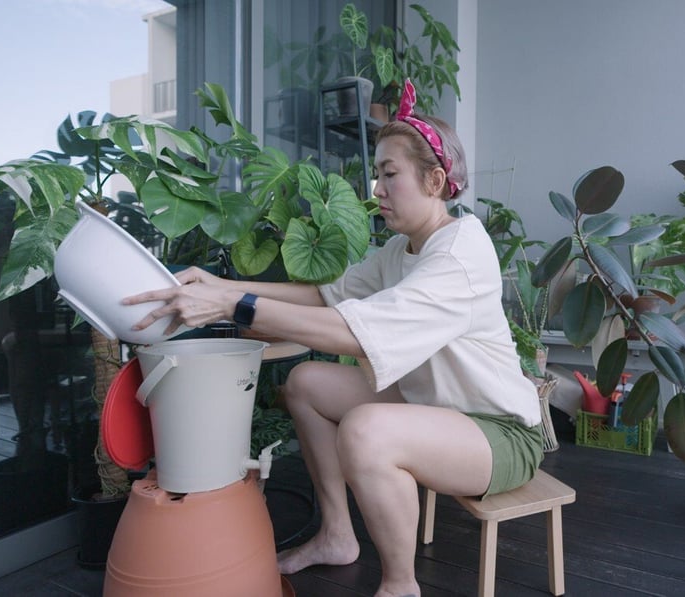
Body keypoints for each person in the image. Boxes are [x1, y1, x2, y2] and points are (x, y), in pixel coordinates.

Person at [124, 80, 543, 597]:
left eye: (390, 176)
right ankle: (338, 537)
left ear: (435, 181)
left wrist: (234, 306)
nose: (378, 190)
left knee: (368, 431)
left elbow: (355, 334)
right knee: (306, 382)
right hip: (437, 406)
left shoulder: (457, 257)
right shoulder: (403, 248)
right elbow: (327, 297)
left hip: (498, 432)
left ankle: (400, 585)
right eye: (377, 176)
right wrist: (223, 285)